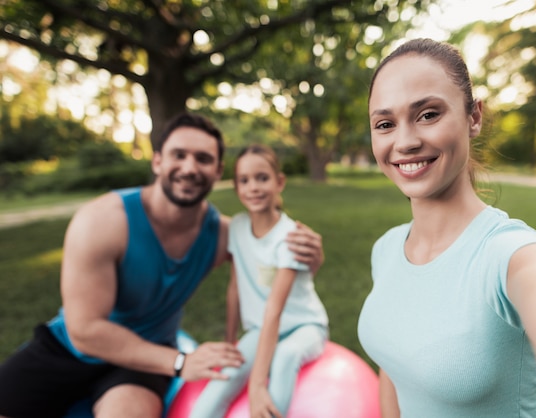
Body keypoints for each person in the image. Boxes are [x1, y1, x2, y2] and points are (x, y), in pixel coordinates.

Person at [357, 38, 536, 418]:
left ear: (474, 117)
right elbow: (394, 366)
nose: (405, 141)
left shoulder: (513, 255)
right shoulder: (385, 250)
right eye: (385, 124)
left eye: (428, 114)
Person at [0, 113, 325, 418]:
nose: (189, 167)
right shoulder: (101, 222)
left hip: (145, 361)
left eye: (203, 159)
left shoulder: (223, 234)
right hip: (67, 350)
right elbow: (84, 330)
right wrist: (183, 361)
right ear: (157, 161)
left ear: (217, 171)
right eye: (178, 155)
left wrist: (312, 254)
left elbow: (267, 252)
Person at [190, 144, 329, 418]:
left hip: (305, 327)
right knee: (220, 385)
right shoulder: (238, 227)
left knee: (286, 355)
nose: (253, 187)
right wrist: (230, 341)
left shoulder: (290, 237)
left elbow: (274, 310)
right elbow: (234, 288)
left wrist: (257, 385)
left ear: (279, 183)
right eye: (244, 180)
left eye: (262, 178)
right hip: (260, 330)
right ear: (237, 187)